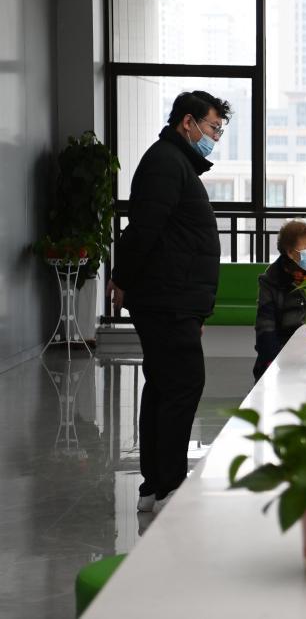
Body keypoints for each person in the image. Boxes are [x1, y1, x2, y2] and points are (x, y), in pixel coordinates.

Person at [107, 90, 231, 515]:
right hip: (167, 298)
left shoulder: (174, 162)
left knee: (164, 387)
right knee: (181, 386)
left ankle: (155, 486)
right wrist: (122, 279)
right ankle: (169, 488)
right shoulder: (166, 161)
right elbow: (143, 229)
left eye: (219, 131)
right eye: (213, 127)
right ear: (188, 122)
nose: (214, 137)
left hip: (173, 298)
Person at [253, 220, 306, 380]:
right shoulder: (272, 280)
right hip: (284, 352)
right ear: (290, 252)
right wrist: (272, 360)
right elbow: (265, 326)